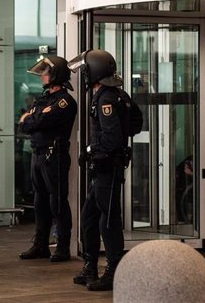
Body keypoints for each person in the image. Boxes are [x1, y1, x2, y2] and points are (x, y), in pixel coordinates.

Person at [68, 49, 127, 292]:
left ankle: (114, 272)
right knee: (90, 217)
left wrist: (91, 148)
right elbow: (135, 122)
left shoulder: (106, 99)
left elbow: (112, 138)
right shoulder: (110, 94)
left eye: (85, 70)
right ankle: (90, 267)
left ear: (94, 71)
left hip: (107, 167)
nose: (83, 75)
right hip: (101, 167)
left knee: (109, 220)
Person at [18, 56, 77, 262]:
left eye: (46, 72)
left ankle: (62, 247)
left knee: (57, 202)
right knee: (40, 201)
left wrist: (32, 118)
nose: (42, 76)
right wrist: (32, 119)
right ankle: (40, 245)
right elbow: (25, 124)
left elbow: (37, 120)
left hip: (54, 156)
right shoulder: (42, 99)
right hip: (37, 154)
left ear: (56, 75)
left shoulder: (65, 101)